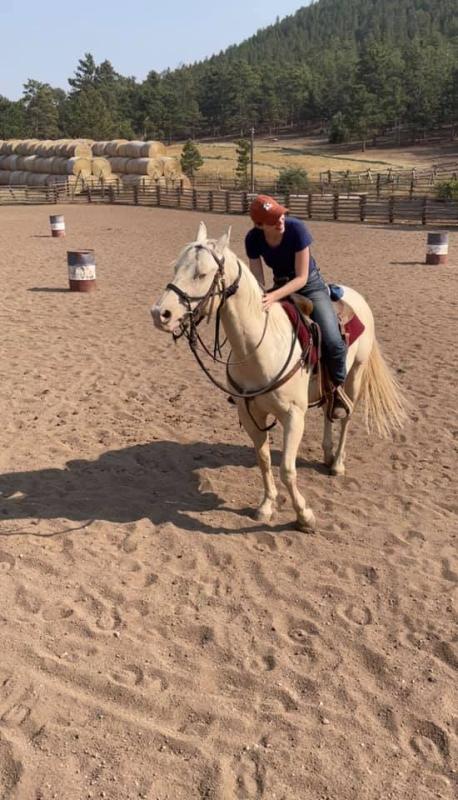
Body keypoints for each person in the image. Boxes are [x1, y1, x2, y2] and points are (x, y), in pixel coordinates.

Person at [245, 194, 350, 420]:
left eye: (281, 215)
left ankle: (337, 389)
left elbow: (302, 278)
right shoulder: (253, 239)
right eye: (273, 219)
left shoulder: (297, 230)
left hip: (310, 285)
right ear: (259, 225)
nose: (280, 220)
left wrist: (273, 296)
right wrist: (263, 295)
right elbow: (257, 278)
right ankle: (251, 383)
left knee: (332, 339)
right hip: (280, 283)